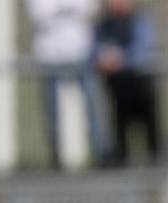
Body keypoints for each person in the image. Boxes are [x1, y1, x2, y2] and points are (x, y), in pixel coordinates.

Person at [25, 0, 107, 168]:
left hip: (81, 53)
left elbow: (89, 9)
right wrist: (68, 10)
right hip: (50, 55)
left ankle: (100, 152)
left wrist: (61, 11)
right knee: (52, 109)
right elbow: (39, 14)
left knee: (92, 103)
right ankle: (56, 154)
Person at [94, 0, 162, 165]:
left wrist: (120, 59)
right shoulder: (104, 25)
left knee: (151, 134)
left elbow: (144, 49)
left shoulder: (140, 20)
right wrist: (104, 59)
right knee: (120, 135)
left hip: (141, 86)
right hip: (118, 88)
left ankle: (156, 166)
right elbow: (96, 49)